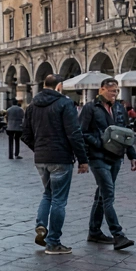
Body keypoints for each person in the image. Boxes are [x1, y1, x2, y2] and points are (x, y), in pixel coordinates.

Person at [21, 75, 89, 255]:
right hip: (60, 157)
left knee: (48, 193)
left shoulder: (32, 105)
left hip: (41, 158)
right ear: (59, 86)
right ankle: (53, 242)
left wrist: (39, 148)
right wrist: (82, 159)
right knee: (59, 199)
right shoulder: (65, 104)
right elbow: (74, 133)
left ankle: (41, 224)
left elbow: (25, 134)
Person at [78, 78, 136, 250]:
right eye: (111, 91)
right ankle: (118, 235)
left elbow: (126, 134)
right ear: (102, 89)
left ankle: (94, 231)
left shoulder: (120, 108)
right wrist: (100, 142)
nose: (114, 94)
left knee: (101, 195)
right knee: (108, 195)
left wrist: (132, 155)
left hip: (116, 156)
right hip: (98, 157)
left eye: (116, 91)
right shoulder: (90, 108)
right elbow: (82, 132)